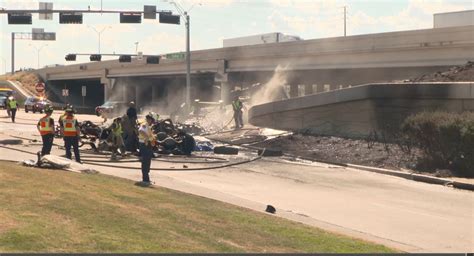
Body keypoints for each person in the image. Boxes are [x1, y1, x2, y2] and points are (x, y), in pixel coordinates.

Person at [137, 113, 156, 185]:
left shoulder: (148, 126)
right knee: (145, 162)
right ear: (149, 119)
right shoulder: (144, 124)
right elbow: (141, 131)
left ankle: (146, 178)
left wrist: (152, 139)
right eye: (152, 120)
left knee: (147, 162)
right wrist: (147, 138)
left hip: (148, 145)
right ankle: (145, 179)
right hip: (145, 145)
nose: (152, 122)